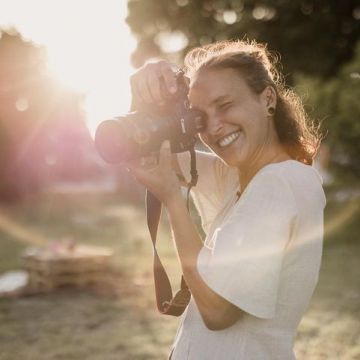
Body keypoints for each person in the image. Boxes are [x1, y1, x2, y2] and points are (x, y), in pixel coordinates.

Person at [126, 40, 326, 359]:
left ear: (268, 99)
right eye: (201, 117)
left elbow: (218, 312)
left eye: (225, 104)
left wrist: (174, 202)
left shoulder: (281, 182)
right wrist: (148, 91)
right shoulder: (240, 177)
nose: (215, 126)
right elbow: (146, 155)